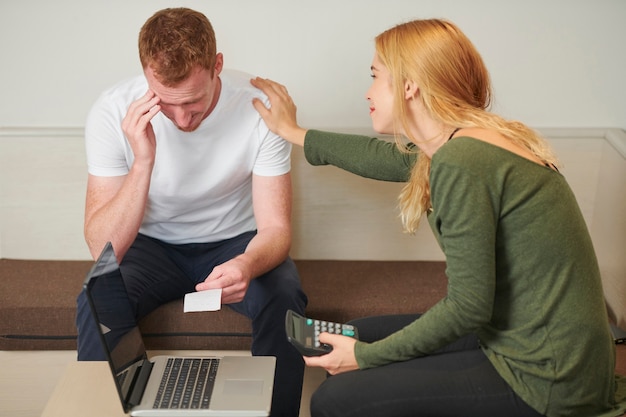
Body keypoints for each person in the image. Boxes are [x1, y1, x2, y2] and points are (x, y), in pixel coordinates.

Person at [251, 18, 619, 417]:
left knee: (333, 399)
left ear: (410, 86)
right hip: (515, 336)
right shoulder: (464, 139)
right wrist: (294, 131)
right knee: (353, 334)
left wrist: (367, 358)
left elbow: (468, 307)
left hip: (546, 374)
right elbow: (385, 158)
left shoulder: (463, 161)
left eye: (375, 77)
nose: (368, 92)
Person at [75, 8, 307, 417]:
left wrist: (247, 264)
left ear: (217, 65)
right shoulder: (111, 112)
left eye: (195, 101)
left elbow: (275, 228)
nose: (183, 118)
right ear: (147, 75)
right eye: (167, 103)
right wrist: (143, 161)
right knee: (97, 298)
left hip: (235, 242)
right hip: (148, 246)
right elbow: (102, 246)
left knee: (284, 295)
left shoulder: (260, 108)